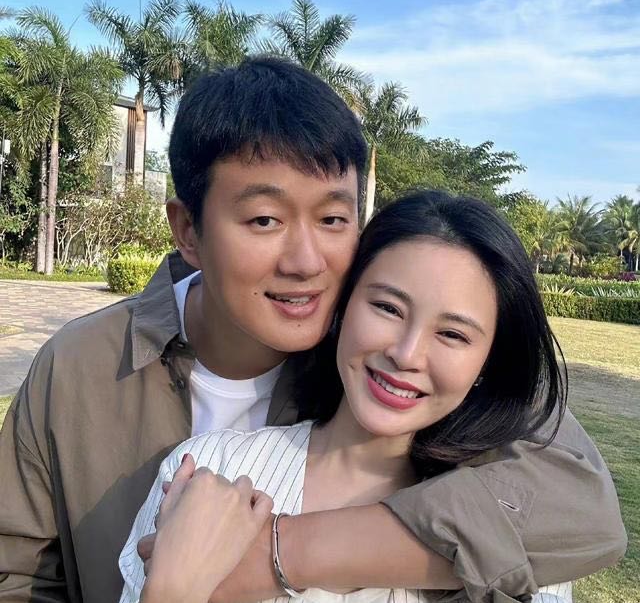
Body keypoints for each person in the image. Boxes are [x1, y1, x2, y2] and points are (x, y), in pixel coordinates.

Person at [0, 58, 626, 603]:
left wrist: (281, 551)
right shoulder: (79, 367)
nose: (306, 262)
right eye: (265, 219)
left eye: (332, 219)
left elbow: (581, 509)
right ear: (188, 229)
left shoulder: (387, 367)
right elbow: (19, 577)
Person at [120, 190, 581, 603]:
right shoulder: (207, 473)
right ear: (341, 306)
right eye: (387, 308)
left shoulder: (515, 535)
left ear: (488, 365)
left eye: (453, 334)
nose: (406, 354)